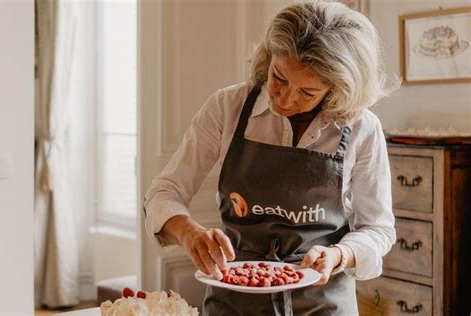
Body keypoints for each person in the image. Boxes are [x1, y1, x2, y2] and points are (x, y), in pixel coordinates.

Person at [144, 1, 399, 315]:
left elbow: (378, 229)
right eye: (278, 77)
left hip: (324, 304)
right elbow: (164, 192)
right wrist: (188, 232)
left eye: (307, 93)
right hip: (234, 303)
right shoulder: (228, 108)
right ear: (268, 56)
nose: (285, 99)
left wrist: (339, 255)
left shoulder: (362, 128)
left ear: (336, 89)